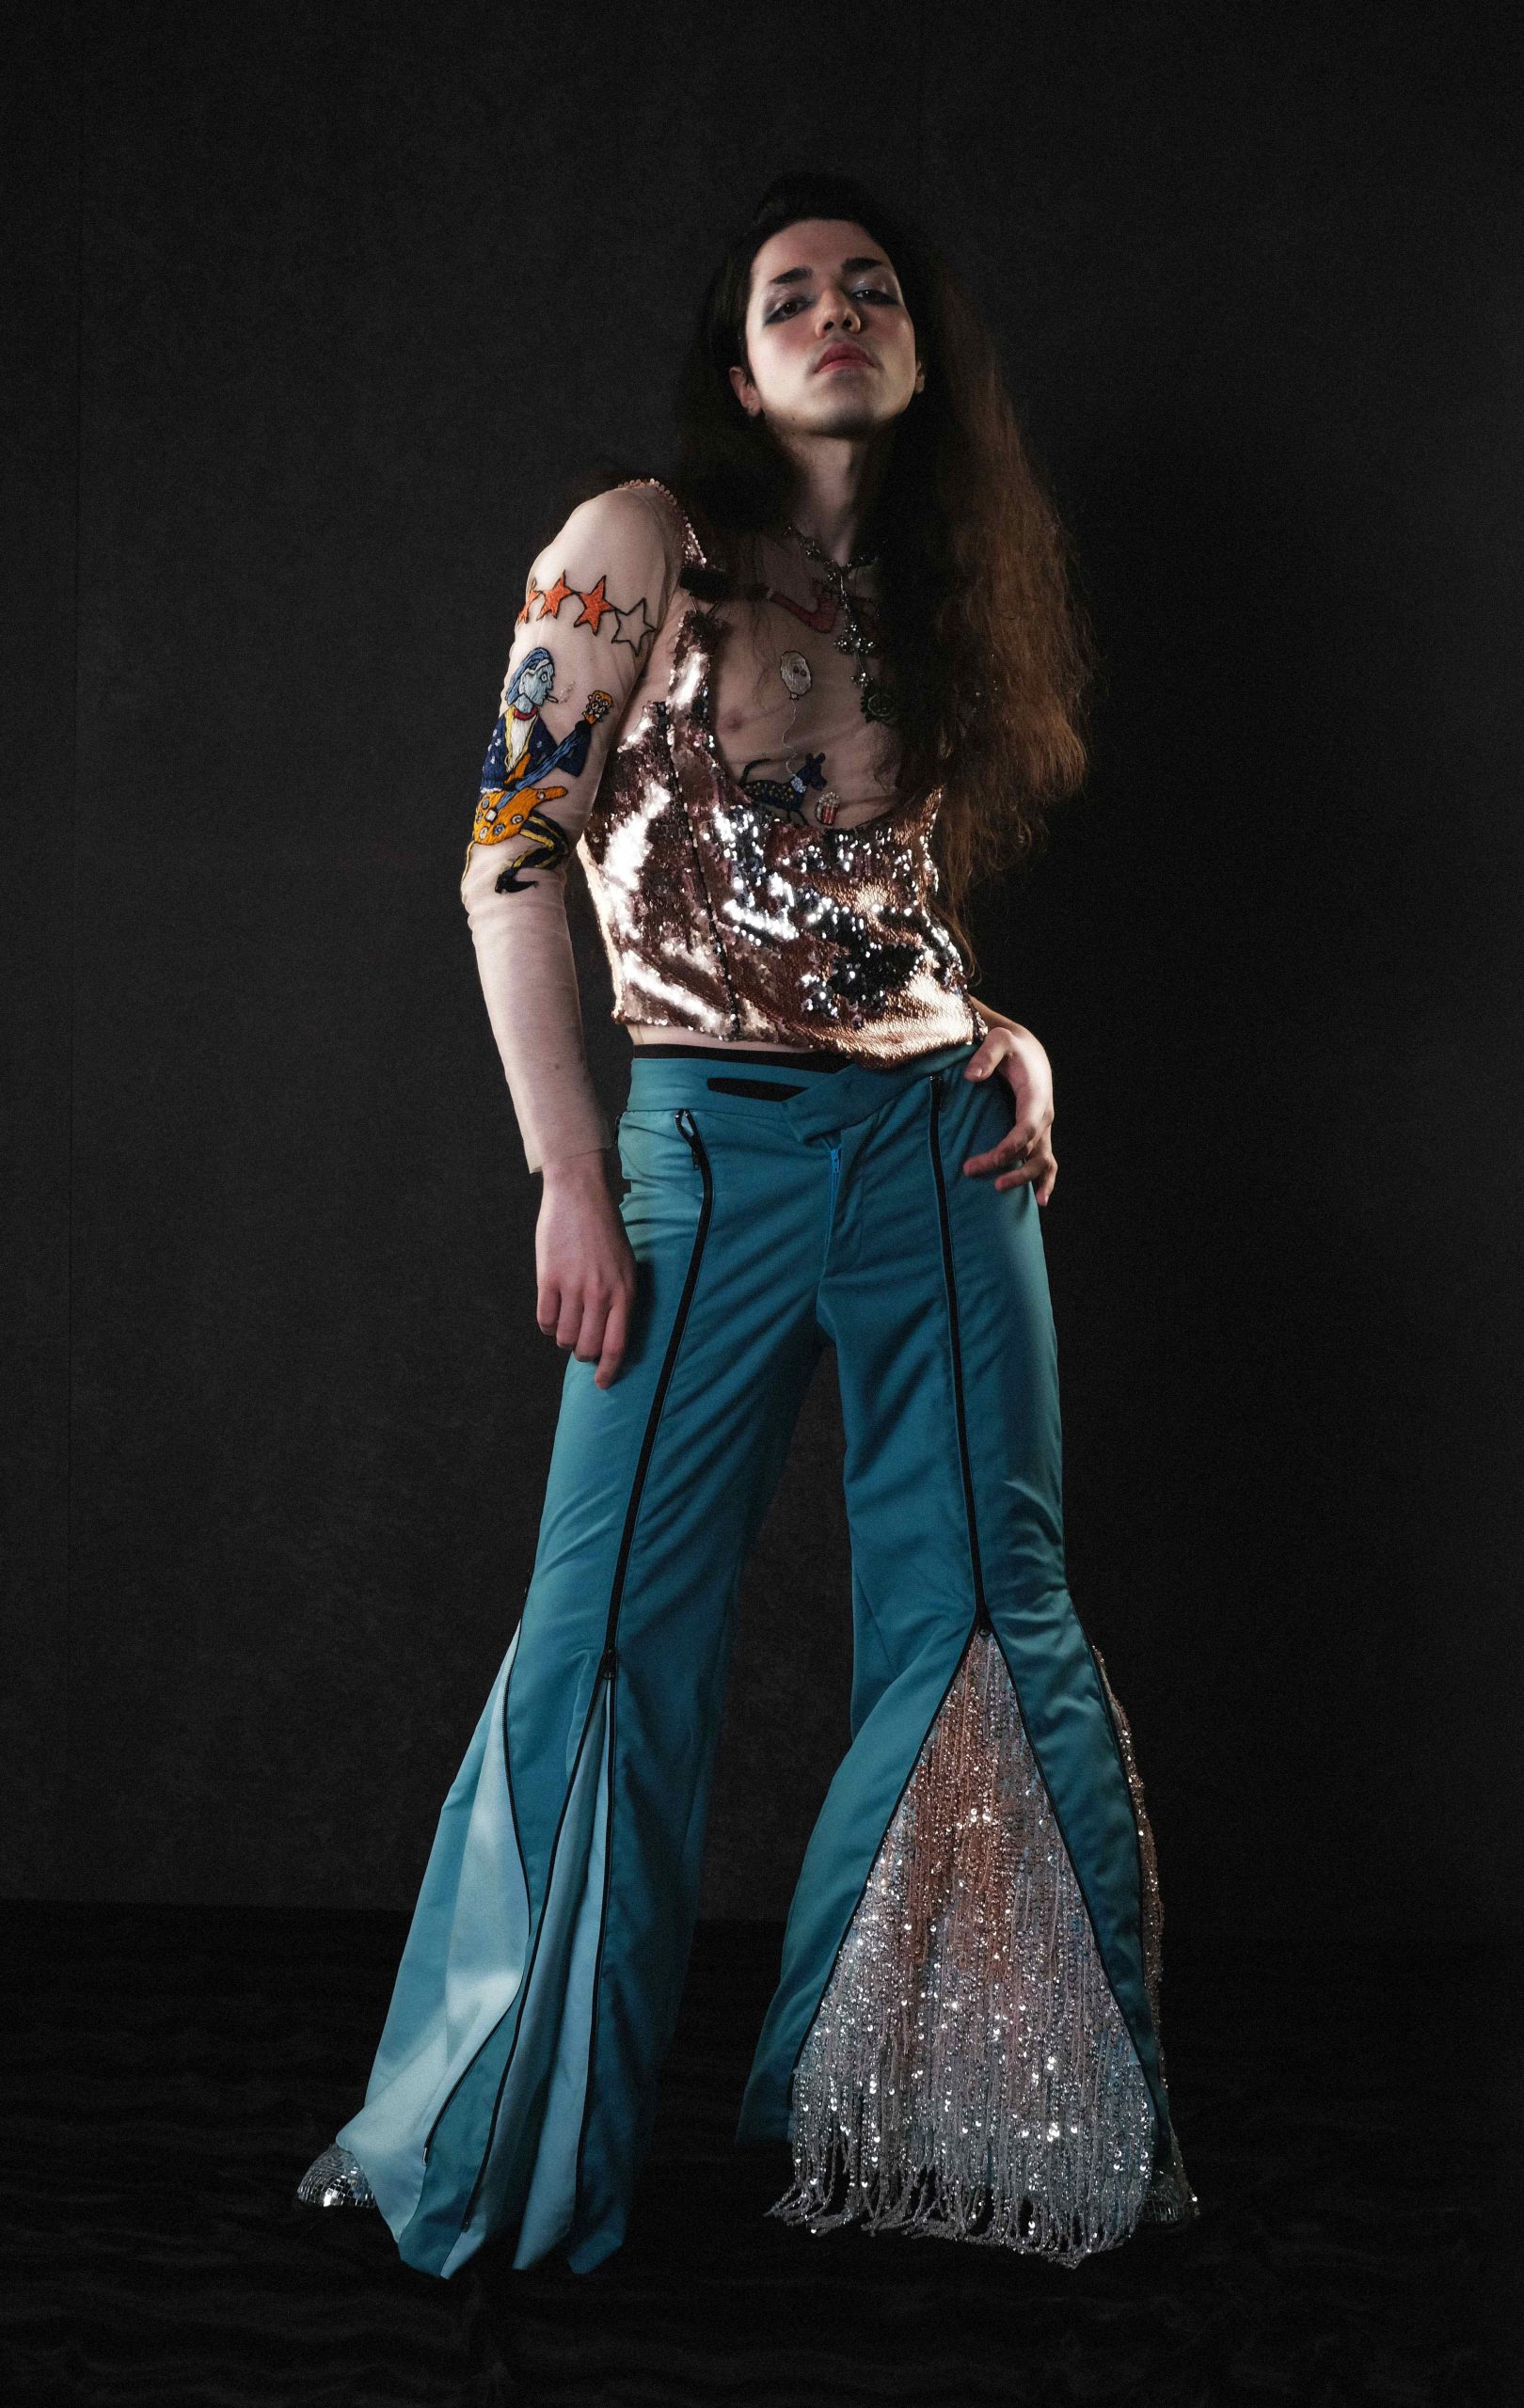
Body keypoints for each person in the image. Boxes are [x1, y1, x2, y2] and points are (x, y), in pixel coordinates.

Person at [295, 170, 1199, 2279]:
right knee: (614, 1637)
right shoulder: (641, 546)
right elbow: (511, 860)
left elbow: (872, 904)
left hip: (940, 1158)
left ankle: (911, 2132)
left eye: (872, 288)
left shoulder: (940, 587)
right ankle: (510, 2159)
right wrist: (570, 1170)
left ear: (920, 353)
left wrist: (998, 1028)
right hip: (704, 1155)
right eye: (791, 295)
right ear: (738, 363)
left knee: (991, 1622)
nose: (836, 311)